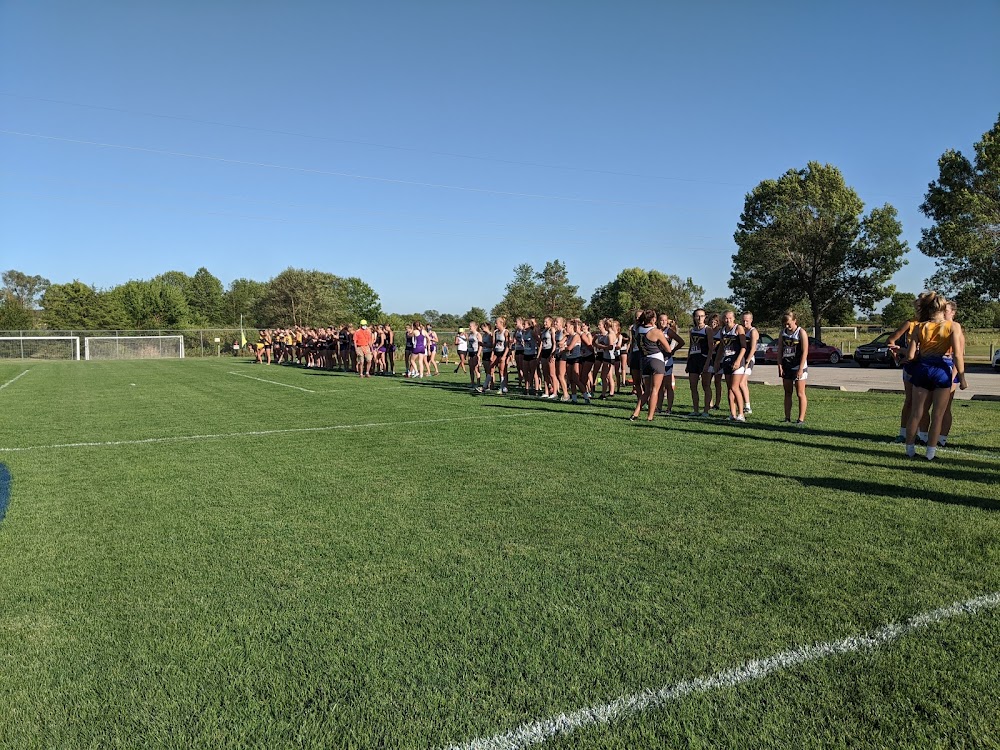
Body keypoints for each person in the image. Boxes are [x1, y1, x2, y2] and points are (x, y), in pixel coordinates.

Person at [904, 292, 967, 459]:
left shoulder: (919, 326)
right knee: (938, 415)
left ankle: (910, 450)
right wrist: (962, 377)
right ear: (943, 308)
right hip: (942, 369)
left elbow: (910, 356)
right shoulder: (953, 327)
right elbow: (957, 355)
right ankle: (930, 453)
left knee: (916, 413)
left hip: (923, 368)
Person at [629, 310, 673, 422]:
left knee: (646, 390)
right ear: (653, 319)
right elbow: (668, 349)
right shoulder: (656, 331)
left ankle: (636, 412)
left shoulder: (638, 329)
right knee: (655, 390)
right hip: (656, 360)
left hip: (644, 360)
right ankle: (650, 416)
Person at [712, 310, 747, 421]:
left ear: (734, 318)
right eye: (726, 318)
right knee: (729, 389)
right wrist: (717, 361)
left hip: (737, 361)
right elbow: (722, 347)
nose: (728, 320)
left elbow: (743, 346)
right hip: (726, 361)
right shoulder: (723, 330)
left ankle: (741, 413)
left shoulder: (738, 328)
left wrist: (738, 360)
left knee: (734, 387)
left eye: (730, 318)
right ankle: (732, 413)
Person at [776, 311, 808, 424]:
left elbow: (805, 351)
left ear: (795, 321)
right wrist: (779, 365)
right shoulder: (783, 333)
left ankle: (800, 419)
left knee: (800, 393)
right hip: (786, 365)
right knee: (787, 392)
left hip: (798, 365)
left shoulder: (801, 332)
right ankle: (787, 418)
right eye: (785, 324)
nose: (787, 326)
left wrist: (800, 368)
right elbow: (780, 350)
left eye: (789, 323)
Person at [686, 309, 712, 417]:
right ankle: (695, 410)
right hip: (693, 359)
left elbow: (711, 347)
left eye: (702, 316)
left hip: (704, 359)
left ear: (705, 317)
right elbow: (691, 346)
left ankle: (706, 410)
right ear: (694, 317)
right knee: (693, 385)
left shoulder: (708, 330)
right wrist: (688, 362)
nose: (700, 318)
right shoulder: (692, 330)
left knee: (706, 385)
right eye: (697, 316)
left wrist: (707, 363)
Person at [738, 311, 758, 415]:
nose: (745, 323)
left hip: (748, 359)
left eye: (747, 321)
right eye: (743, 320)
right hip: (741, 358)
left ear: (751, 320)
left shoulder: (753, 331)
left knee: (741, 382)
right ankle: (744, 404)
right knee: (743, 383)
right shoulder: (741, 330)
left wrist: (747, 361)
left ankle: (747, 406)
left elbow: (753, 348)